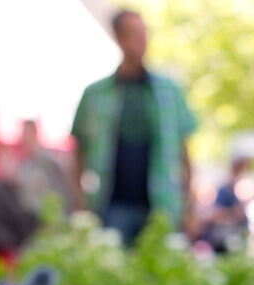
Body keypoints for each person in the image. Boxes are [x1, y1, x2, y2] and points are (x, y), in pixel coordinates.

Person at [71, 9, 197, 245]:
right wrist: (80, 203)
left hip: (160, 206)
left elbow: (185, 152)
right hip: (111, 206)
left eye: (144, 34)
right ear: (118, 38)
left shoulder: (168, 90)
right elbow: (78, 150)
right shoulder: (95, 94)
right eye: (134, 34)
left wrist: (189, 207)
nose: (142, 41)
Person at [16, 120, 73, 218]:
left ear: (34, 133)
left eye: (26, 133)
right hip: (30, 220)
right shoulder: (25, 164)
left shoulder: (48, 161)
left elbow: (62, 192)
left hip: (49, 219)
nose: (23, 138)